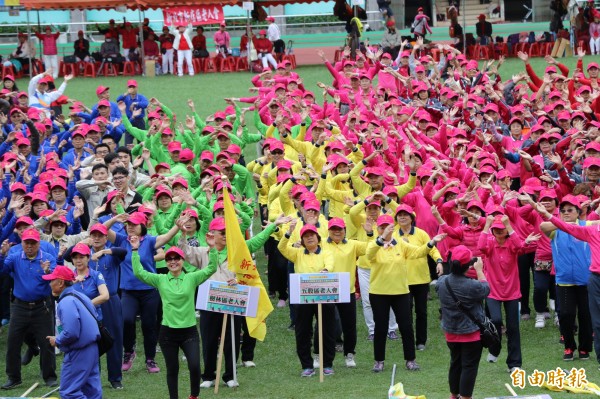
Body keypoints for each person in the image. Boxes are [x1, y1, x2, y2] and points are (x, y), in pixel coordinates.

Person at [131, 228, 217, 399]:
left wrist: (213, 248)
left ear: (182, 261)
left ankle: (194, 396)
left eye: (176, 258)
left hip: (189, 331)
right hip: (168, 333)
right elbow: (139, 273)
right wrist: (134, 250)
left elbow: (211, 268)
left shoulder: (191, 278)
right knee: (173, 369)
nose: (172, 261)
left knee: (194, 366)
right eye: (169, 259)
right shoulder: (161, 280)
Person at [366, 214, 445, 372]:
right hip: (379, 293)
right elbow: (369, 255)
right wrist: (381, 238)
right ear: (378, 229)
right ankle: (379, 361)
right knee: (380, 328)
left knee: (406, 327)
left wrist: (431, 243)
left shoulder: (400, 244)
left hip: (400, 292)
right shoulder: (373, 244)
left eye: (387, 227)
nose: (385, 230)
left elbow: (417, 252)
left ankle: (410, 360)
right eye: (382, 227)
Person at [477, 215, 539, 373]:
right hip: (493, 291)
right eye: (495, 229)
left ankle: (514, 363)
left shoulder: (512, 244)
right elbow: (480, 246)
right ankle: (494, 349)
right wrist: (487, 225)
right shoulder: (490, 244)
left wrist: (508, 225)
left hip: (512, 292)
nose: (498, 231)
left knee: (513, 328)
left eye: (501, 228)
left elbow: (519, 245)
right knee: (495, 320)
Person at [0, 228, 57, 390]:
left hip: (42, 306)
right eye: (27, 243)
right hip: (20, 306)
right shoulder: (14, 257)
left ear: (39, 243)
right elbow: (2, 270)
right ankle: (14, 377)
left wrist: (48, 272)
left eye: (33, 243)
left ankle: (49, 376)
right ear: (22, 243)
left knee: (46, 343)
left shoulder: (48, 258)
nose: (30, 246)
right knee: (13, 342)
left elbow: (55, 279)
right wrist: (2, 255)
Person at [540, 194, 593, 361]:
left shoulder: (586, 226)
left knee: (586, 315)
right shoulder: (555, 230)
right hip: (564, 282)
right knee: (566, 315)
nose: (566, 213)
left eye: (570, 210)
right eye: (563, 211)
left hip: (585, 281)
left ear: (578, 212)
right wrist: (562, 224)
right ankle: (569, 347)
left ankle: (584, 349)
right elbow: (542, 226)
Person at [436, 246, 489, 399]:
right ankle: (466, 397)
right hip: (471, 334)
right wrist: (479, 270)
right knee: (469, 366)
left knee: (455, 364)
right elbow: (485, 289)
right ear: (469, 265)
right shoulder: (471, 285)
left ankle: (454, 396)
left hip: (451, 333)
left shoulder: (442, 282)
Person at [43, 265, 102, 399]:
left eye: (52, 280)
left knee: (69, 392)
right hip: (91, 349)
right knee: (92, 392)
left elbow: (72, 332)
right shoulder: (80, 296)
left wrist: (57, 340)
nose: (50, 283)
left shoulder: (66, 302)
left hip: (79, 352)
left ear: (61, 283)